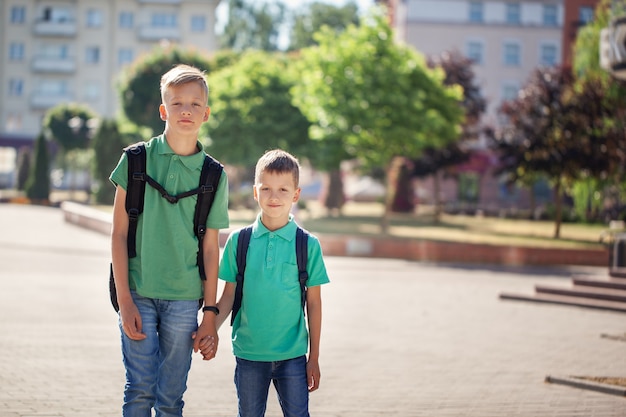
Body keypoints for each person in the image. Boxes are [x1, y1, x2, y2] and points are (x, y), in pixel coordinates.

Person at [109, 64, 229, 417]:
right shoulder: (135, 161)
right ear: (164, 110)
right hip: (138, 292)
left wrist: (209, 314)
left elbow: (210, 248)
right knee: (139, 391)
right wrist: (125, 301)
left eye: (195, 104)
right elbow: (117, 233)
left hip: (184, 299)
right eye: (177, 104)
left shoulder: (213, 174)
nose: (186, 111)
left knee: (171, 399)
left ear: (206, 114)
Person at [202, 149, 330, 417]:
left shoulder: (307, 244)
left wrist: (314, 357)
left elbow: (314, 304)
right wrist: (210, 328)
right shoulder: (239, 241)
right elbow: (228, 296)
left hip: (293, 356)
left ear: (296, 194)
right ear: (255, 192)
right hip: (249, 354)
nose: (274, 196)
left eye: (283, 189)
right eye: (266, 188)